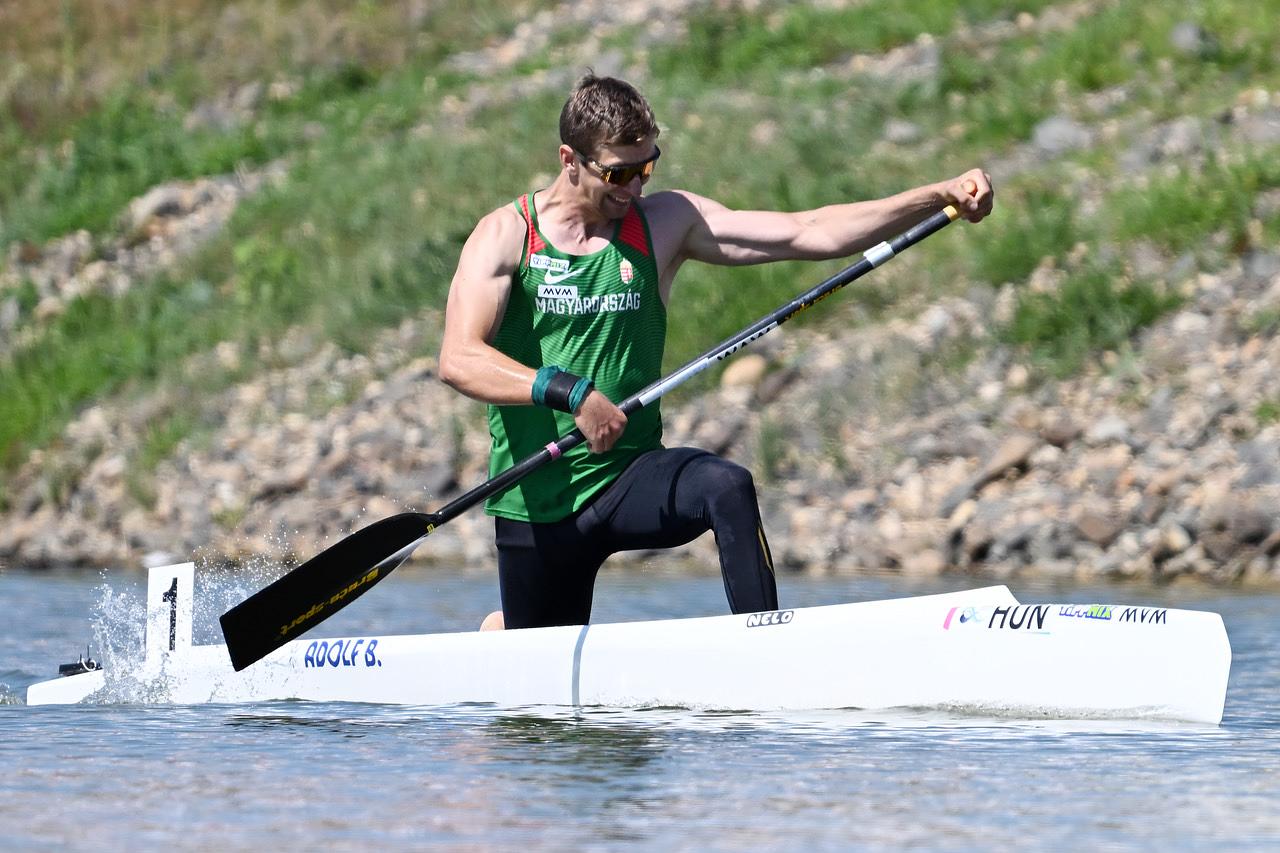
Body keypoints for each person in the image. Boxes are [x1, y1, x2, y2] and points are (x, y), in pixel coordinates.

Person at [439, 74, 993, 631]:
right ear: (570, 160)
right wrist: (573, 394)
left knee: (725, 487)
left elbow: (810, 231)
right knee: (537, 659)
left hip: (627, 475)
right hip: (538, 500)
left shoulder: (664, 223)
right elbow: (459, 359)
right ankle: (503, 633)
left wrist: (935, 196)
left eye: (646, 169)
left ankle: (764, 647)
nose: (634, 189)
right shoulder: (507, 235)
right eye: (618, 174)